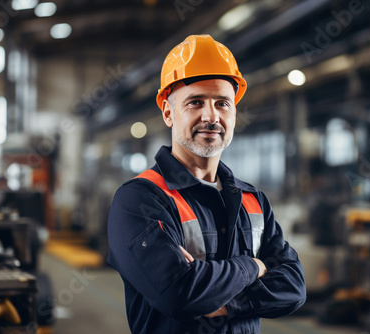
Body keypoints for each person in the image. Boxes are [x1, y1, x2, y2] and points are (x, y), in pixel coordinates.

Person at [107, 34, 306, 334]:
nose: (211, 116)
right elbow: (179, 294)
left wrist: (223, 299)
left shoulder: (253, 200)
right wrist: (254, 267)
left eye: (223, 103)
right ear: (168, 112)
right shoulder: (140, 200)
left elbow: (294, 286)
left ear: (234, 114)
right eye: (195, 102)